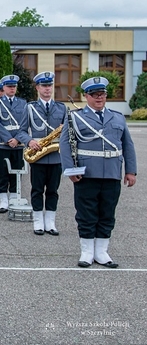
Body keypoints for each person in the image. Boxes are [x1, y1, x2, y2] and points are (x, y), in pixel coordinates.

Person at [59, 76, 137, 268]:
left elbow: (128, 145)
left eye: (102, 94)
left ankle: (102, 251)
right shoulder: (76, 117)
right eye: (94, 94)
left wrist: (131, 171)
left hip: (112, 172)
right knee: (86, 213)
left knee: (107, 212)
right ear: (86, 96)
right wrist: (69, 170)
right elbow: (66, 144)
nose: (99, 98)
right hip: (87, 173)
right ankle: (86, 251)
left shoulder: (117, 117)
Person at [20, 72, 66, 236]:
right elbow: (21, 131)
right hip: (37, 155)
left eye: (50, 85)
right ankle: (38, 221)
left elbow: (67, 133)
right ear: (38, 88)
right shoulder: (30, 107)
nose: (47, 89)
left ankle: (51, 222)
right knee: (37, 189)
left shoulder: (61, 108)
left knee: (53, 190)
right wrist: (30, 141)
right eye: (44, 86)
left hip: (55, 155)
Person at [0, 75, 29, 213]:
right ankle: (3, 199)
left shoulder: (23, 103)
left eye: (14, 86)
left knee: (17, 170)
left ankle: (14, 197)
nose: (12, 89)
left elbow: (25, 123)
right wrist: (8, 139)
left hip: (18, 143)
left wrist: (17, 139)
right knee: (2, 172)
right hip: (2, 143)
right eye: (9, 86)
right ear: (4, 88)